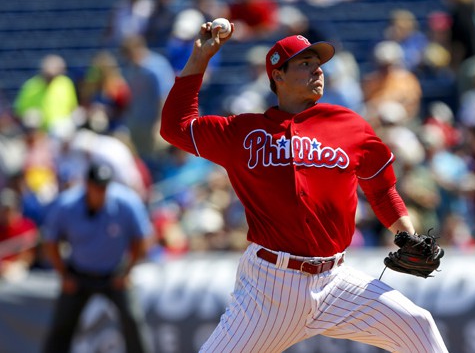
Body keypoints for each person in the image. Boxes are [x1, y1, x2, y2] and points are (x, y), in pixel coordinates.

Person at [160, 22, 448, 352]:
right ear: (277, 76)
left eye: (318, 64)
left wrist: (406, 233)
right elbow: (175, 127)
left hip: (336, 282)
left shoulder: (349, 125)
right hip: (269, 288)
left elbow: (382, 190)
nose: (317, 71)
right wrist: (200, 58)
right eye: (304, 64)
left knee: (418, 325)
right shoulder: (242, 132)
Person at [41, 163, 152, 353]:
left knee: (132, 320)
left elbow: (142, 239)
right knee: (61, 327)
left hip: (115, 273)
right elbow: (50, 242)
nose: (101, 191)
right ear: (87, 185)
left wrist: (127, 271)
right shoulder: (67, 205)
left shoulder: (127, 202)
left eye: (105, 186)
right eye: (97, 186)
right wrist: (64, 274)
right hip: (78, 274)